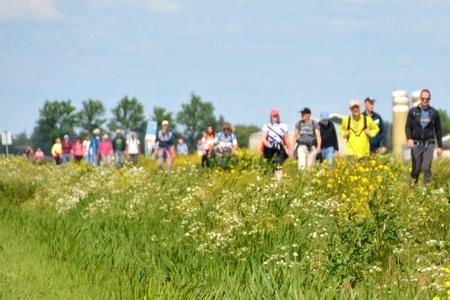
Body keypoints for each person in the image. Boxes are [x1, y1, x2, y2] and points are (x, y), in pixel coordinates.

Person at [405, 89, 443, 185]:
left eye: (427, 99)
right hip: (416, 144)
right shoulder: (413, 112)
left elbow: (438, 129)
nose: (425, 101)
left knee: (426, 167)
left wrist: (440, 146)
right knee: (416, 169)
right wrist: (409, 138)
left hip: (429, 143)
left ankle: (427, 190)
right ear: (420, 98)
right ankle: (411, 190)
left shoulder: (434, 113)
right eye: (423, 98)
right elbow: (408, 127)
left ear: (430, 99)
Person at [261, 109, 291, 179]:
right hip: (270, 147)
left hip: (279, 146)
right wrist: (268, 145)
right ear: (271, 116)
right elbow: (263, 139)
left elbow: (286, 139)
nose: (275, 117)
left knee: (278, 163)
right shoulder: (266, 126)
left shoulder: (283, 125)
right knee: (270, 164)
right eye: (273, 116)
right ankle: (272, 178)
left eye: (276, 116)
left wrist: (288, 149)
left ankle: (278, 179)